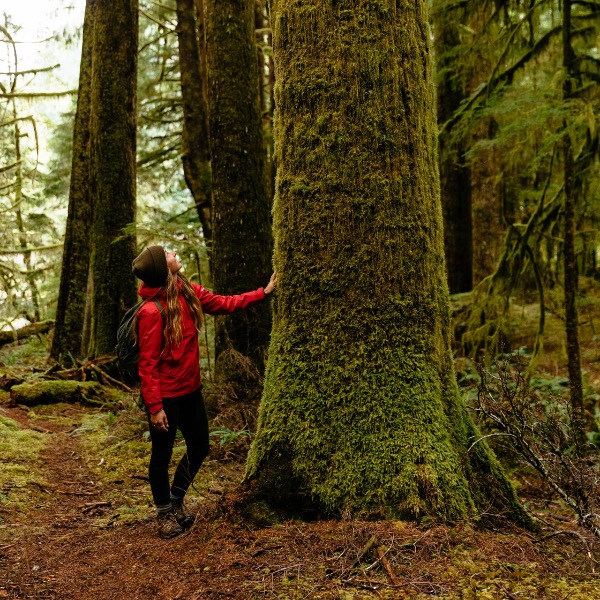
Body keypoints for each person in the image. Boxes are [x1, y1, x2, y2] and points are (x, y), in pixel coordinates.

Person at [131, 245, 276, 539]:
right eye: (167, 254)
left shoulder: (187, 291)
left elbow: (224, 303)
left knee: (199, 446)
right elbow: (147, 365)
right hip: (166, 397)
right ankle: (164, 515)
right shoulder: (150, 312)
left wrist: (263, 292)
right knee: (161, 455)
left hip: (191, 391)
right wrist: (155, 407)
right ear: (163, 268)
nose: (172, 253)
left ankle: (176, 499)